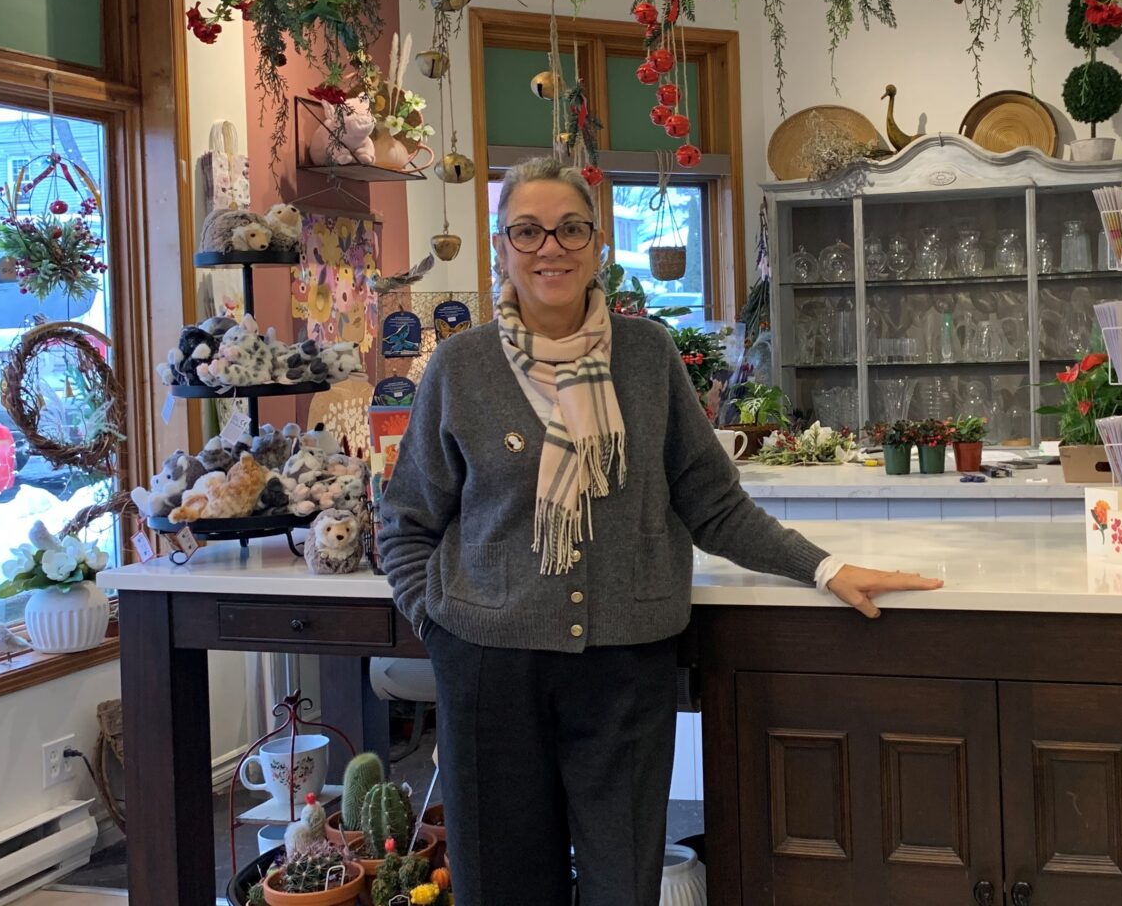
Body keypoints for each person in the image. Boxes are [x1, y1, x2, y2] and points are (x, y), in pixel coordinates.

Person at [377, 156, 940, 905]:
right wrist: (440, 625)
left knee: (623, 880)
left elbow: (712, 503)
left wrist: (825, 567)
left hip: (625, 666)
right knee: (502, 884)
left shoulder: (647, 357)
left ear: (598, 244)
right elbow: (407, 522)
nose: (552, 248)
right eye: (529, 231)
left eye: (572, 228)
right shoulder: (459, 368)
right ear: (500, 248)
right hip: (489, 668)